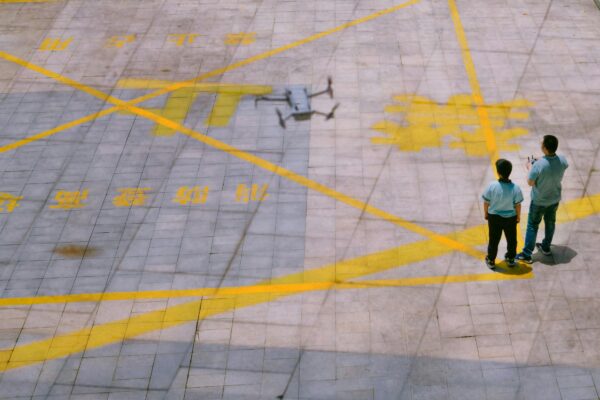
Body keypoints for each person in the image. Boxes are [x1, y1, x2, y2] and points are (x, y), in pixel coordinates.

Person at [516, 135, 569, 263]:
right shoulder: (562, 160)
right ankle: (546, 247)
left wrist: (530, 167)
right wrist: (543, 160)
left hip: (539, 201)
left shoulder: (538, 165)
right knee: (550, 223)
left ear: (544, 148)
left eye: (542, 144)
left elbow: (530, 182)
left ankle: (527, 254)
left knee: (532, 225)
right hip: (554, 199)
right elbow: (554, 165)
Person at [482, 159, 524, 269]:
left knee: (494, 239)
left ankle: (491, 260)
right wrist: (518, 216)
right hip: (510, 218)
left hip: (494, 218)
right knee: (511, 239)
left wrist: (486, 213)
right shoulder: (515, 188)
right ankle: (511, 258)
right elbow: (518, 205)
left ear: (498, 172)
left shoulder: (492, 186)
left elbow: (486, 202)